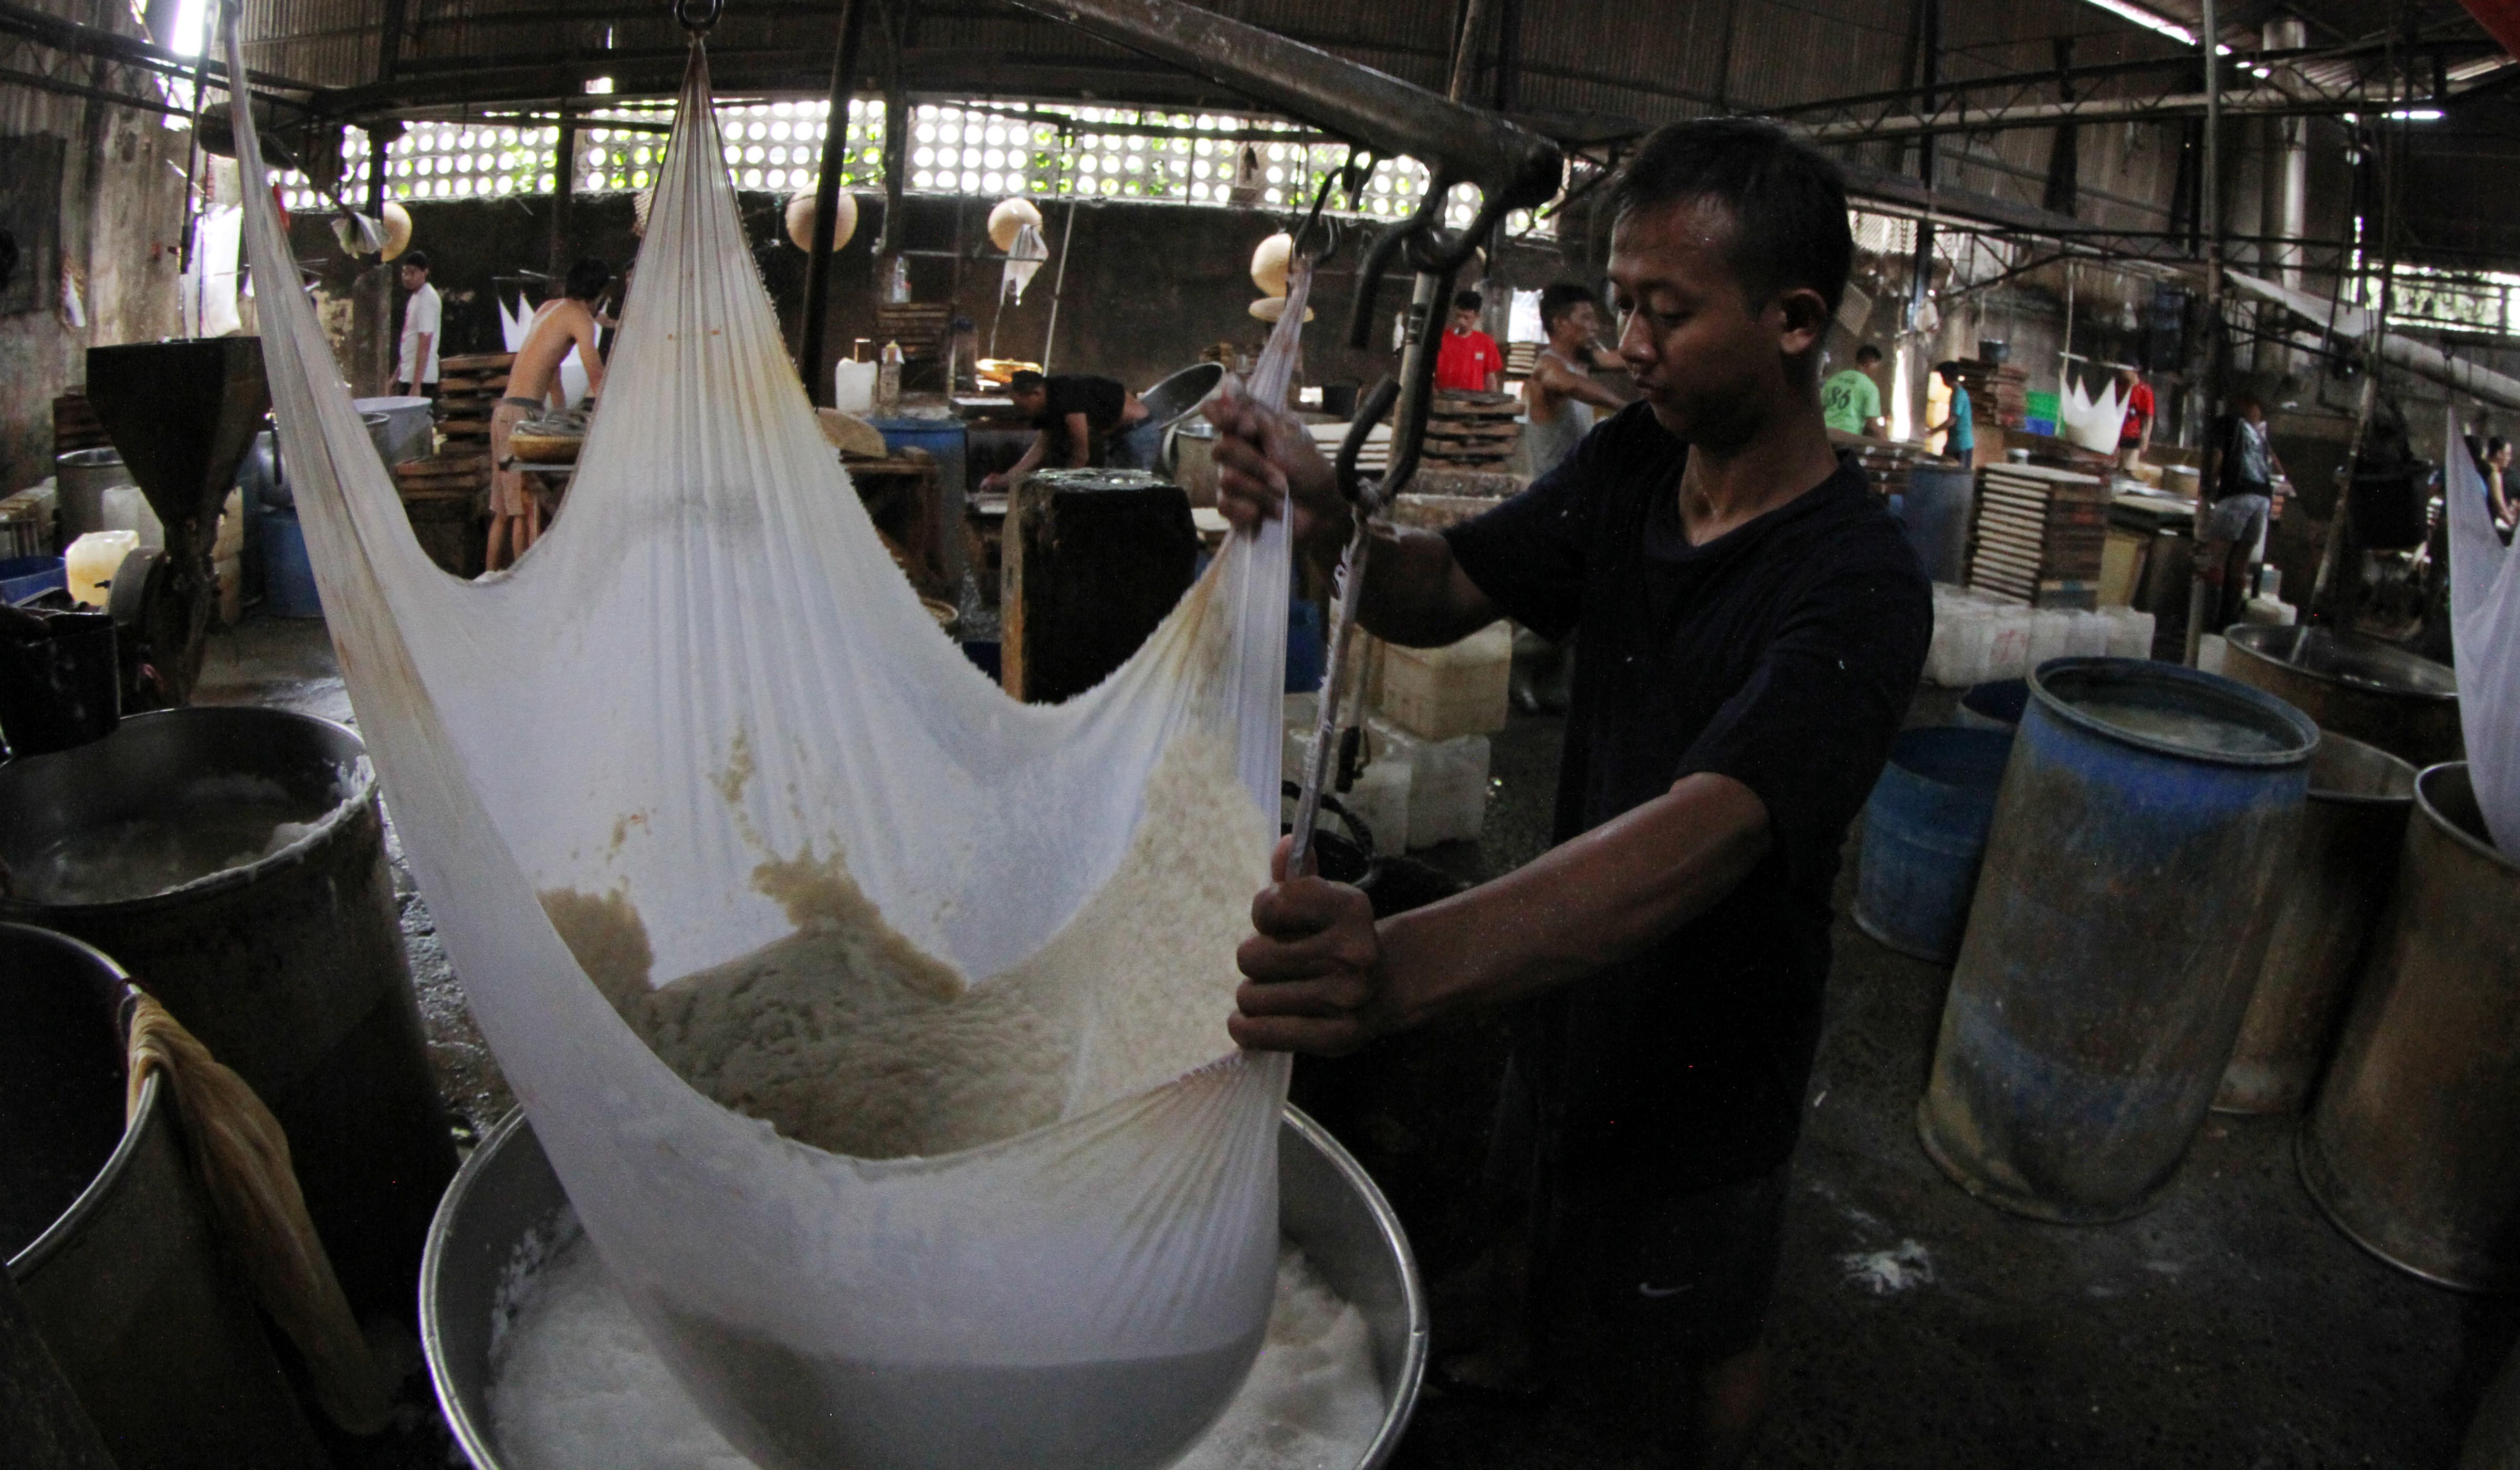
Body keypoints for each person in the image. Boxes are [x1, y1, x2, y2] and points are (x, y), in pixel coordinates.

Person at [1206, 118, 1930, 1468]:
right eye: (1622, 305)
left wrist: (1402, 968)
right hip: (1560, 993)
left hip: (1708, 1061)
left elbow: (1707, 833)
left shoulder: (1855, 587)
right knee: (1545, 1254)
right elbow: (1436, 590)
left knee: (1683, 1340)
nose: (1626, 345)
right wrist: (1327, 523)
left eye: (1665, 312)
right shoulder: (1633, 469)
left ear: (1790, 322)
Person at [486, 258, 610, 573]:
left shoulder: (549, 308)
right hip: (520, 415)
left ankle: (490, 577)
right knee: (524, 510)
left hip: (504, 411)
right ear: (596, 294)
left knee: (502, 512)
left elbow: (550, 367)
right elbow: (596, 375)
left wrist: (561, 409)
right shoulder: (580, 318)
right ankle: (522, 582)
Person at [978, 370, 1157, 494]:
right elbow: (1040, 449)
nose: (1022, 413)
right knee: (1116, 494)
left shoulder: (1066, 396)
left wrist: (1062, 490)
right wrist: (1006, 479)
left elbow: (1081, 454)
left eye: (1023, 407)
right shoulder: (1046, 406)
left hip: (1138, 434)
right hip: (1116, 437)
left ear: (1036, 393)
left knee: (1133, 495)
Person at [2198, 389, 2285, 634]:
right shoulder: (2258, 434)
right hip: (2262, 499)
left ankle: (2206, 628)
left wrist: (2206, 491)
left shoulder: (2225, 424)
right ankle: (2229, 626)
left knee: (2216, 558)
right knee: (2239, 564)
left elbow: (2216, 458)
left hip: (2237, 495)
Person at [1519, 282, 1628, 477]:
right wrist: (1626, 407)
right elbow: (1573, 385)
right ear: (1560, 323)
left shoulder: (1582, 361)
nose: (1595, 327)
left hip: (1577, 486)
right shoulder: (1546, 367)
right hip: (1552, 494)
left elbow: (1628, 359)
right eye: (1586, 318)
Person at [1435, 290, 1504, 394]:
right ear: (1454, 311)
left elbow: (1490, 379)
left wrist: (1491, 403)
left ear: (1477, 316)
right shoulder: (1440, 339)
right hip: (1443, 400)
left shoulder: (1486, 342)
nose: (1461, 322)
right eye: (1459, 316)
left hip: (1472, 404)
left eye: (1466, 318)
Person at [395, 250, 441, 401]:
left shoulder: (427, 298)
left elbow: (425, 342)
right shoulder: (416, 297)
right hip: (408, 375)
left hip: (422, 379)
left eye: (412, 272)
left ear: (425, 272)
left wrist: (417, 385)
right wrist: (396, 376)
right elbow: (409, 342)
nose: (407, 277)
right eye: (405, 272)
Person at [1819, 344, 1884, 437]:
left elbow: (1819, 408)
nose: (1877, 371)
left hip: (1826, 434)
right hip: (1849, 437)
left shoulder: (1835, 379)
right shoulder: (1870, 387)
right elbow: (1872, 425)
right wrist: (1887, 442)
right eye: (1877, 365)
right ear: (1871, 362)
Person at [1927, 361, 1972, 463]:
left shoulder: (1958, 395)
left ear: (1946, 377)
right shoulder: (1957, 393)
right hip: (1954, 444)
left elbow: (1952, 421)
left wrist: (1933, 431)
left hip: (1960, 446)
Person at [2116, 365, 2156, 473]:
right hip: (2117, 433)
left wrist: (2145, 438)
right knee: (2115, 467)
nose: (2122, 372)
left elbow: (2148, 417)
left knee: (2128, 469)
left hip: (2133, 435)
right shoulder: (2119, 387)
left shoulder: (2145, 390)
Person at [2486, 437, 2515, 536]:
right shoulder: (2494, 474)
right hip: (2485, 527)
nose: (2509, 458)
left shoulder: (2480, 468)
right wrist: (2512, 522)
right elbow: (2501, 509)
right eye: (2507, 455)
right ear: (2499, 454)